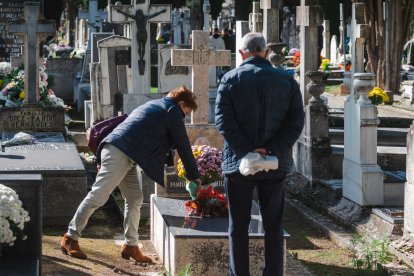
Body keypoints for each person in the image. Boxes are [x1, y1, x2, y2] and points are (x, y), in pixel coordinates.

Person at [60, 86, 202, 262]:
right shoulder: (172, 111)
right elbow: (183, 146)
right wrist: (194, 176)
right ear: (181, 103)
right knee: (99, 195)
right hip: (120, 152)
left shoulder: (157, 104)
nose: (184, 117)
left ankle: (131, 246)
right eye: (185, 113)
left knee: (134, 198)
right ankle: (70, 237)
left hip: (123, 152)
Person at [215, 32, 305, 275]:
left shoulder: (230, 79)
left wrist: (247, 149)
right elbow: (296, 121)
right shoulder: (287, 80)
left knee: (239, 225)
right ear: (265, 52)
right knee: (273, 225)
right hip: (275, 163)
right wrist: (273, 148)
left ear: (242, 53)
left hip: (238, 163)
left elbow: (223, 121)